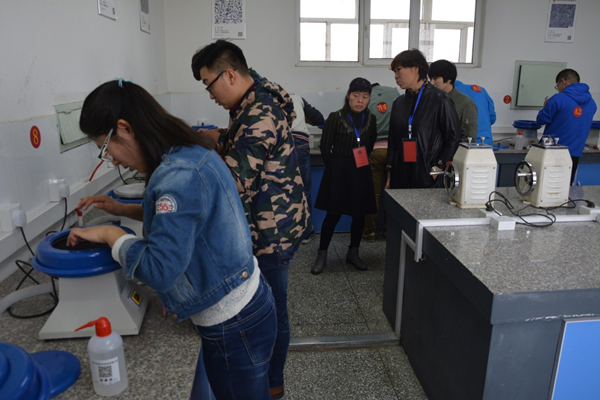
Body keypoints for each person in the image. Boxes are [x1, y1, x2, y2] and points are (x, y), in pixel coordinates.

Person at [67, 80, 277, 400]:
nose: (112, 159)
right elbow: (183, 221)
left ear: (125, 128)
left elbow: (160, 269)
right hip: (246, 305)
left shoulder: (178, 174)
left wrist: (111, 235)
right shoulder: (187, 150)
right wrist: (121, 209)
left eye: (105, 148)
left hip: (233, 324)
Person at [191, 40, 308, 400]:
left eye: (209, 84)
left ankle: (273, 381)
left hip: (273, 231)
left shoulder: (259, 114)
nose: (210, 94)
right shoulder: (250, 101)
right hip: (269, 221)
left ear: (230, 74)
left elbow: (233, 180)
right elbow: (246, 146)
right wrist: (221, 138)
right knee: (272, 306)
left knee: (274, 310)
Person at [311, 78, 378, 275]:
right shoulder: (336, 117)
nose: (360, 100)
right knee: (333, 214)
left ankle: (353, 253)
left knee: (359, 214)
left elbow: (370, 144)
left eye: (364, 96)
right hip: (339, 172)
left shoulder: (371, 119)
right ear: (348, 95)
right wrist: (335, 168)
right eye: (356, 95)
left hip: (361, 170)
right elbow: (325, 147)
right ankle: (322, 254)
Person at [385, 49, 460, 189]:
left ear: (415, 68)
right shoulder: (399, 103)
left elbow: (453, 138)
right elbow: (393, 141)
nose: (396, 76)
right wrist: (389, 173)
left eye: (399, 70)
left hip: (427, 176)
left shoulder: (440, 100)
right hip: (400, 175)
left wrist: (439, 166)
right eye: (394, 72)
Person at [536, 68, 597, 184]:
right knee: (564, 188)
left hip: (552, 153)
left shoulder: (557, 99)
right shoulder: (592, 103)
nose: (558, 89)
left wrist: (545, 107)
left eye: (557, 85)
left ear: (563, 82)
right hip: (574, 154)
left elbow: (540, 121)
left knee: (545, 187)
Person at [363, 83, 398, 242]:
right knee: (393, 194)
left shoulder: (367, 97)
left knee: (373, 195)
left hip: (374, 151)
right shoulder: (395, 93)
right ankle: (388, 231)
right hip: (394, 151)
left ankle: (370, 232)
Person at [289, 94, 325, 245]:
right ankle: (306, 233)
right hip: (300, 142)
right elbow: (319, 119)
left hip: (280, 143)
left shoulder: (267, 97)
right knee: (304, 189)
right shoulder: (297, 97)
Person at [428, 59, 478, 143]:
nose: (432, 82)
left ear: (449, 79)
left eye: (435, 78)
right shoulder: (428, 100)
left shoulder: (466, 103)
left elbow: (469, 139)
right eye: (431, 79)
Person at [454, 80, 496, 145]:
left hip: (464, 143)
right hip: (486, 142)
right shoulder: (480, 90)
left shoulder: (452, 94)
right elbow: (492, 118)